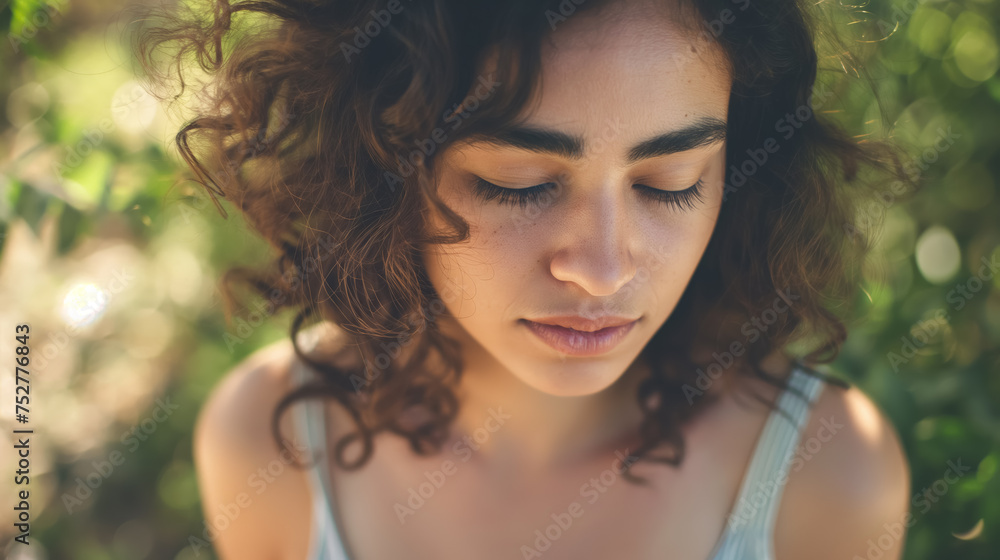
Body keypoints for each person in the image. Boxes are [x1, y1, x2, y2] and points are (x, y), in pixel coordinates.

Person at [132, 0, 913, 558]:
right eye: (516, 183)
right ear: (382, 167)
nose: (603, 270)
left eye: (669, 181)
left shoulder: (832, 478)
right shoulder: (271, 448)